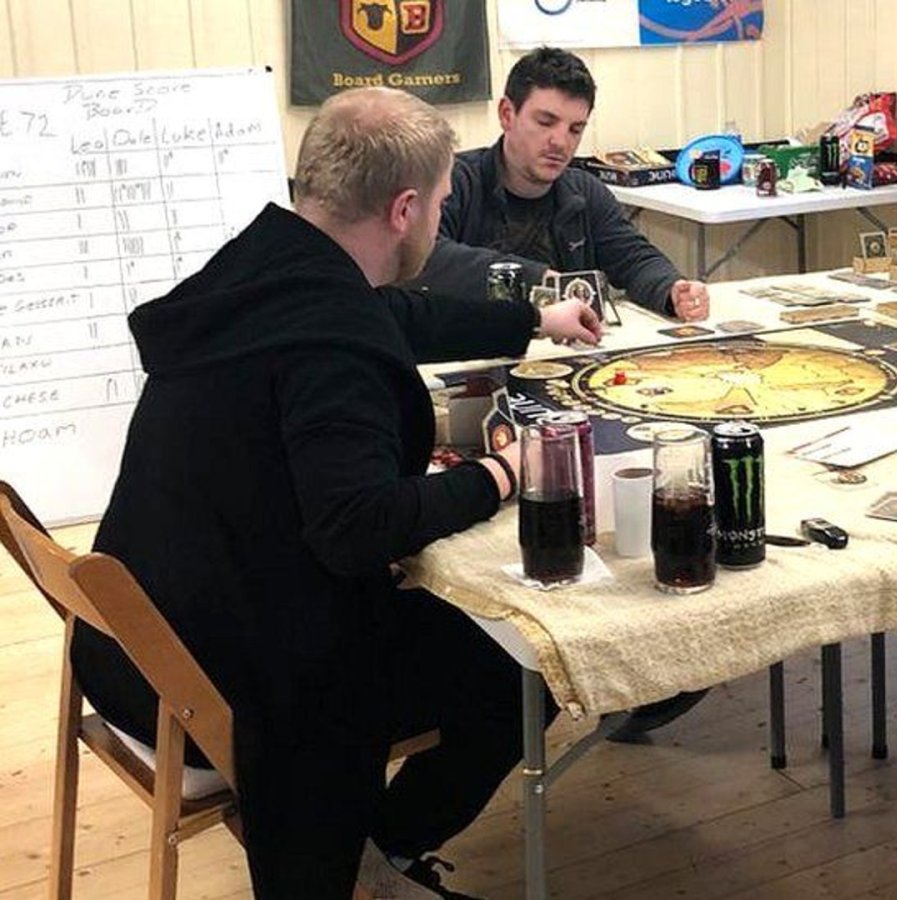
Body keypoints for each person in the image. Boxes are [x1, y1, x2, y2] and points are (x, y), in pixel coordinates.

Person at [69, 87, 603, 899]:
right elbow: (357, 529)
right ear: (404, 209)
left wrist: (533, 320)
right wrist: (503, 475)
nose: (437, 222)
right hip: (222, 678)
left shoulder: (266, 264)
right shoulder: (330, 345)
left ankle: (372, 849)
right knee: (530, 661)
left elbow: (393, 316)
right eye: (439, 207)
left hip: (131, 646)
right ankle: (379, 853)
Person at [416, 46, 712, 322]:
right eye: (545, 122)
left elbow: (633, 258)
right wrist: (538, 280)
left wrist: (672, 289)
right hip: (472, 348)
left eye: (575, 129)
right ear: (507, 114)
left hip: (565, 350)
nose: (560, 141)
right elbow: (424, 256)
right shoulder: (451, 181)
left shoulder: (585, 191)